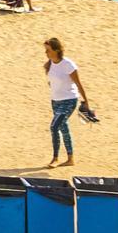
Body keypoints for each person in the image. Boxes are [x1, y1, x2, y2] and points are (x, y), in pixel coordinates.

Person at [44, 38, 90, 167]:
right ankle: (70, 159)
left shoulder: (68, 64)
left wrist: (86, 101)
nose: (46, 53)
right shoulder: (50, 64)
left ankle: (55, 158)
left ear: (57, 50)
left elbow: (78, 83)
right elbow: (51, 81)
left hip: (69, 100)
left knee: (54, 127)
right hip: (55, 101)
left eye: (48, 50)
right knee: (63, 128)